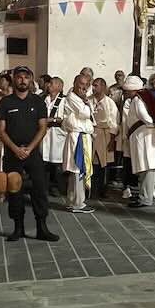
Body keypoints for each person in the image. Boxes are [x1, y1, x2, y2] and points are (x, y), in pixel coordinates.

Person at [0, 66, 58, 242]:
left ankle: (42, 228)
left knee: (39, 190)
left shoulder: (38, 102)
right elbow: (1, 130)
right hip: (12, 154)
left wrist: (30, 148)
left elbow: (42, 128)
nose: (22, 80)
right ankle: (18, 228)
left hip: (33, 154)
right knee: (15, 191)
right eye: (19, 77)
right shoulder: (5, 103)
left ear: (30, 79)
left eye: (26, 77)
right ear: (14, 80)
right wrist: (15, 149)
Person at [122, 76, 155, 209]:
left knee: (147, 168)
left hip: (145, 138)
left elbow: (145, 117)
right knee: (146, 168)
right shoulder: (143, 97)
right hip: (144, 136)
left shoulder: (138, 100)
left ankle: (146, 198)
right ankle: (144, 196)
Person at [61, 73, 96, 214]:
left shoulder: (81, 98)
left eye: (87, 84)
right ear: (75, 84)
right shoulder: (73, 97)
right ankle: (78, 203)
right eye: (81, 84)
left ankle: (72, 200)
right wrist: (86, 102)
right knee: (78, 169)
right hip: (78, 138)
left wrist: (87, 103)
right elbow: (85, 114)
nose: (84, 87)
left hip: (83, 136)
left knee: (78, 169)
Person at [89, 77, 119, 200]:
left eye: (96, 85)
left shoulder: (109, 103)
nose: (94, 87)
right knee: (91, 162)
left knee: (104, 164)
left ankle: (103, 189)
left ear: (103, 86)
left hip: (104, 134)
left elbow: (114, 123)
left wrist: (112, 140)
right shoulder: (89, 100)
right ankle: (90, 188)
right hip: (91, 132)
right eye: (93, 85)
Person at [42, 77, 66, 195]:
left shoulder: (64, 100)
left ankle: (56, 186)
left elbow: (66, 118)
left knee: (57, 161)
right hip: (45, 133)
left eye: (52, 83)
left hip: (57, 134)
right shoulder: (44, 99)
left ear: (59, 87)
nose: (49, 85)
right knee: (44, 160)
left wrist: (53, 119)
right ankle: (44, 186)